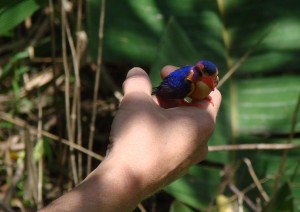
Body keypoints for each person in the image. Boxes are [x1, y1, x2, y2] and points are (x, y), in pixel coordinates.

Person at [41, 66, 222, 212]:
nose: (200, 76)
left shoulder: (204, 82)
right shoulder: (187, 82)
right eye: (199, 73)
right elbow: (165, 90)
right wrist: (135, 173)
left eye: (212, 77)